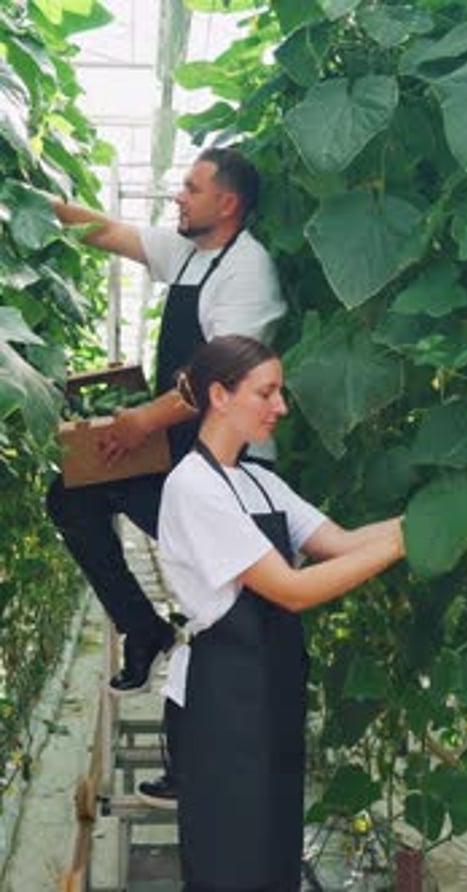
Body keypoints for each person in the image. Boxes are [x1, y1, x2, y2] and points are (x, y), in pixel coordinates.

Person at [45, 149, 285, 800]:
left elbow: (224, 378)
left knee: (218, 617)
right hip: (180, 458)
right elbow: (106, 231)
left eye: (190, 187)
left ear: (227, 203)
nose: (178, 197)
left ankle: (200, 771)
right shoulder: (190, 254)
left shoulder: (246, 272)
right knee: (71, 496)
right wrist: (27, 198)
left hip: (227, 475)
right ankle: (144, 628)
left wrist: (139, 424)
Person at [157, 335, 405, 892]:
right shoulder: (193, 487)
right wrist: (401, 545)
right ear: (220, 395)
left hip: (271, 690)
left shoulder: (259, 481)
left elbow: (341, 542)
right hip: (223, 701)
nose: (281, 406)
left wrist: (430, 518)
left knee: (272, 852)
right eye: (266, 392)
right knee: (231, 857)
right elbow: (290, 589)